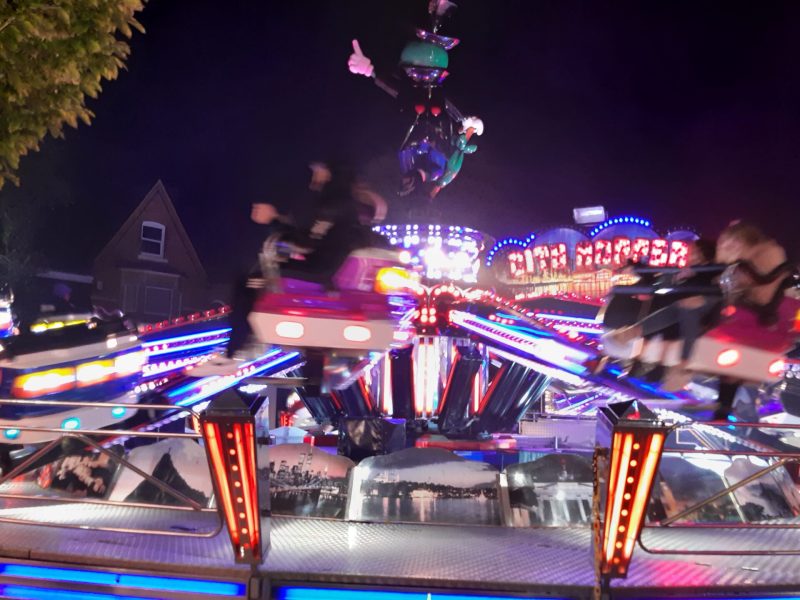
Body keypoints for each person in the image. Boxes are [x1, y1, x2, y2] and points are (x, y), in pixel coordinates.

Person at [605, 237, 724, 390]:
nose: (689, 256)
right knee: (656, 325)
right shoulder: (686, 272)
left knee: (668, 327)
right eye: (690, 252)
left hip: (686, 320)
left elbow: (702, 294)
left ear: (704, 256)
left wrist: (689, 275)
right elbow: (658, 281)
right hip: (669, 315)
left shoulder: (708, 275)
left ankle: (655, 374)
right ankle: (641, 369)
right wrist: (641, 268)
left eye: (694, 253)